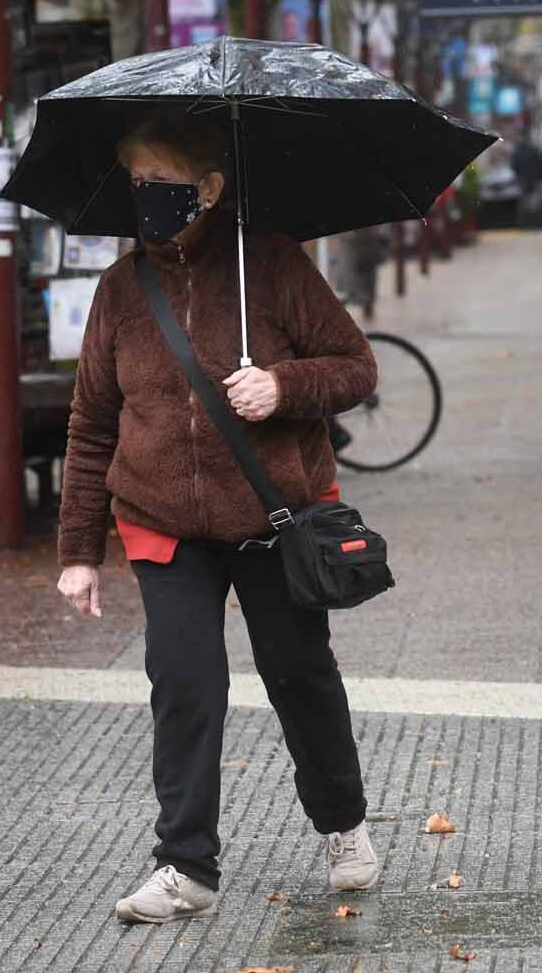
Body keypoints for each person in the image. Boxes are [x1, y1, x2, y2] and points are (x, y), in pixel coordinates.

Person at [56, 113, 382, 924]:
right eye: (136, 185)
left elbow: (356, 367)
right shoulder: (121, 290)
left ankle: (341, 823)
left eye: (161, 183)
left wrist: (281, 387)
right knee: (185, 686)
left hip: (271, 514)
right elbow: (93, 423)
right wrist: (77, 550)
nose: (146, 201)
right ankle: (184, 866)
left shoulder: (271, 264)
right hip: (163, 520)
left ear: (207, 189)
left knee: (300, 676)